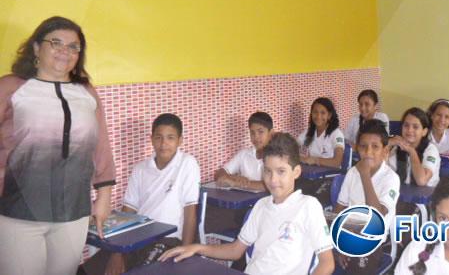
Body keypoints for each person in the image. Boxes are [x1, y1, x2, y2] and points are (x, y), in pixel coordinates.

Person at [0, 16, 116, 275]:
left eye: (73, 46)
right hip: (19, 211)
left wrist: (104, 198)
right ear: (36, 48)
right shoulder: (11, 87)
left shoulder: (86, 92)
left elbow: (101, 148)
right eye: (56, 42)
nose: (65, 51)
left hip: (73, 213)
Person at [159, 132, 335, 275]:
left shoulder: (308, 206)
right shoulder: (261, 206)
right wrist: (197, 248)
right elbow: (236, 250)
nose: (273, 180)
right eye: (267, 171)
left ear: (296, 172)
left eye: (281, 171)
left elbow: (327, 264)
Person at [84, 113, 200, 274]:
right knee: (87, 270)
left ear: (180, 140)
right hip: (136, 239)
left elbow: (190, 213)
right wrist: (118, 252)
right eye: (158, 137)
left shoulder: (187, 164)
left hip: (170, 240)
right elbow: (127, 213)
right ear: (151, 138)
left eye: (170, 138)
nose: (163, 144)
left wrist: (184, 253)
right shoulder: (140, 169)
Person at [334, 120, 400, 274]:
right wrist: (339, 244)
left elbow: (376, 215)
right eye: (363, 146)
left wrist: (364, 175)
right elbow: (340, 208)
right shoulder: (352, 172)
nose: (368, 152)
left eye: (375, 147)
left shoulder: (391, 178)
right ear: (357, 148)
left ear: (385, 152)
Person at [205, 112, 272, 242]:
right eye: (252, 133)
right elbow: (220, 173)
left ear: (271, 133)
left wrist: (237, 182)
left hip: (261, 209)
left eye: (260, 132)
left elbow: (268, 184)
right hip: (241, 206)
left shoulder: (275, 156)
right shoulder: (244, 154)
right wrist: (231, 178)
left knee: (210, 218)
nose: (256, 137)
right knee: (206, 212)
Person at [296, 97, 344, 204]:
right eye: (315, 112)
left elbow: (337, 162)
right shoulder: (309, 132)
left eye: (323, 113)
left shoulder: (336, 134)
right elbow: (294, 146)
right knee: (293, 194)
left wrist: (315, 160)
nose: (318, 116)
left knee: (310, 201)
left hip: (329, 180)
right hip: (311, 178)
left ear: (329, 115)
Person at [389, 107, 440, 188]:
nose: (409, 130)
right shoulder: (397, 147)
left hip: (425, 198)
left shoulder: (430, 150)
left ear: (424, 132)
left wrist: (412, 152)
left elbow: (421, 181)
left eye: (415, 127)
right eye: (406, 125)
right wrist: (387, 145)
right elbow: (381, 173)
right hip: (401, 196)